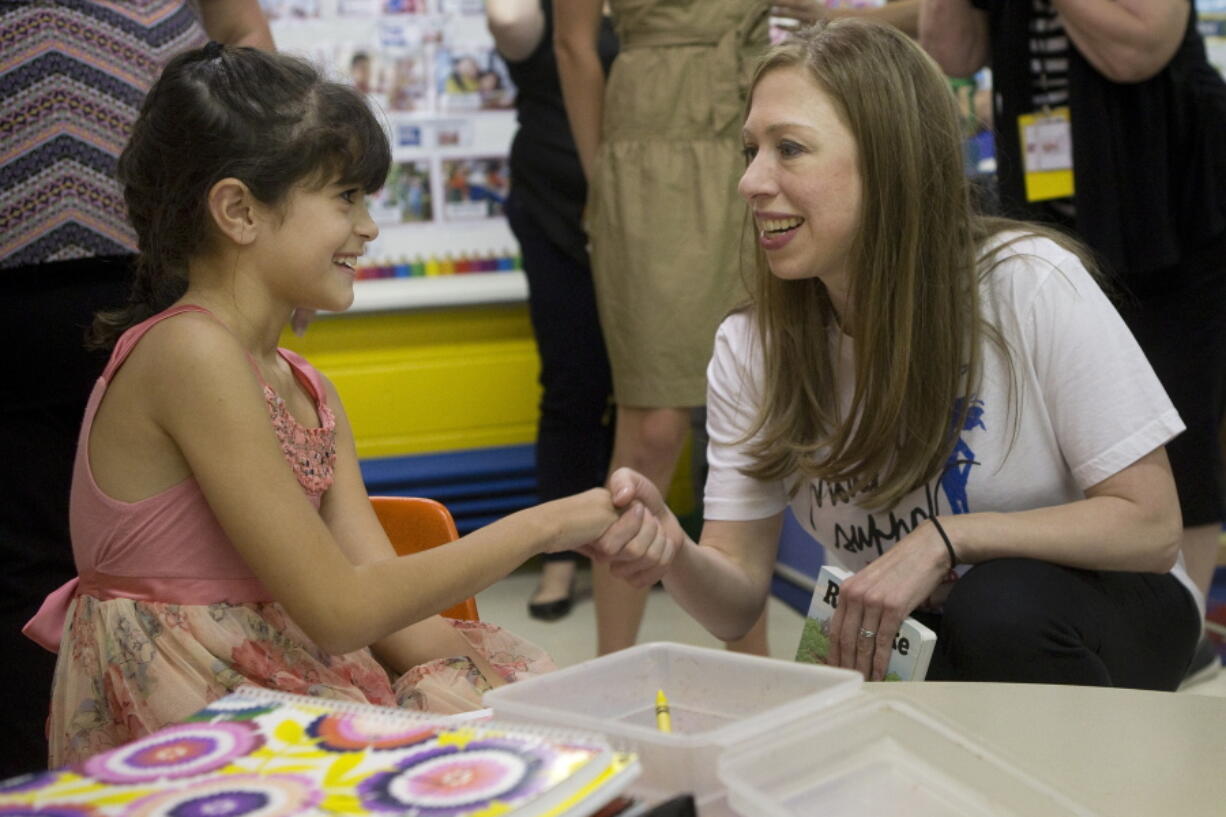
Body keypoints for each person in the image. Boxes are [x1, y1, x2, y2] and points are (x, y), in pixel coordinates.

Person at [22, 44, 666, 767]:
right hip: (190, 718)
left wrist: (521, 699)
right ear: (239, 210)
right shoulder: (189, 354)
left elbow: (397, 619)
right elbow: (340, 610)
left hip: (280, 681)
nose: (368, 227)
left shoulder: (307, 387)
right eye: (346, 198)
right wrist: (547, 522)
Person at [602, 20, 1200, 689]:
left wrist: (950, 538)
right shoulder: (752, 344)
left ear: (891, 161)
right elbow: (736, 595)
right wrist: (673, 551)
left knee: (996, 608)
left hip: (1102, 605)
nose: (751, 182)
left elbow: (1151, 526)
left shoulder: (1027, 282)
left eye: (789, 149)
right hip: (913, 627)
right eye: (750, 150)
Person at [0, 0, 273, 778]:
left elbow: (243, 30)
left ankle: (205, 771)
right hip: (19, 283)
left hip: (170, 253)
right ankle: (48, 783)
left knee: (208, 549)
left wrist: (267, 231)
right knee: (25, 567)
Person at [919, 0, 1226, 682]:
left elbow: (1142, 44)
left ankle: (1185, 631)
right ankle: (1092, 603)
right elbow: (952, 52)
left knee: (1177, 423)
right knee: (1063, 427)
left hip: (1164, 203)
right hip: (1047, 203)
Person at [555, 0, 786, 657]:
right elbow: (573, 46)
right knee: (652, 428)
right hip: (649, 144)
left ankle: (756, 671)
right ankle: (612, 667)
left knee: (756, 414)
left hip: (753, 112)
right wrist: (606, 179)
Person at [486, 0, 619, 621]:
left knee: (644, 392)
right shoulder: (536, 15)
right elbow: (509, 22)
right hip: (556, 209)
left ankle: (617, 544)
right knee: (571, 383)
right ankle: (563, 554)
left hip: (645, 204)